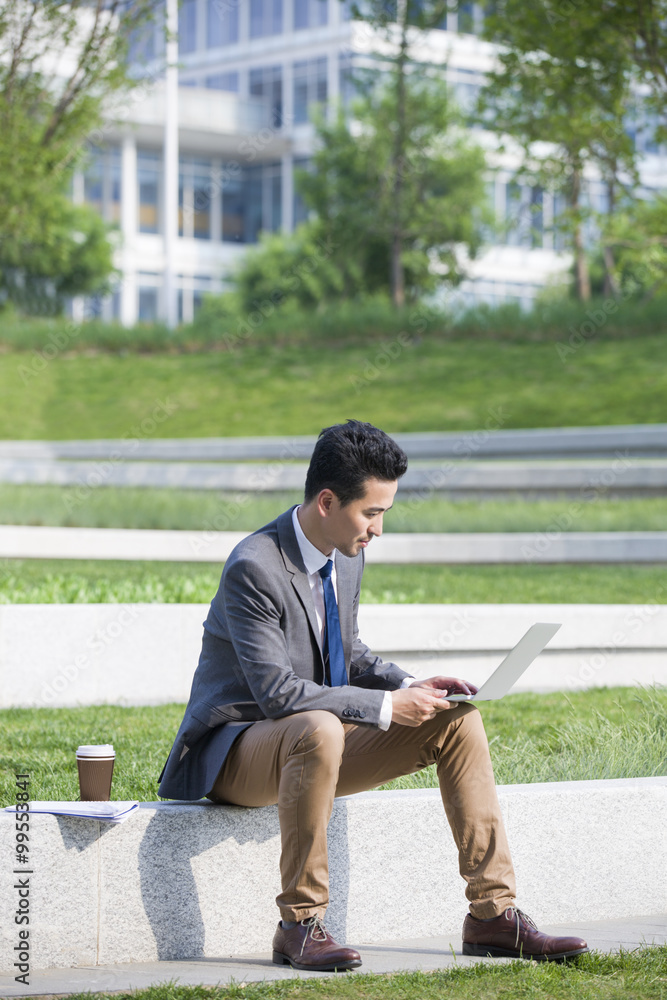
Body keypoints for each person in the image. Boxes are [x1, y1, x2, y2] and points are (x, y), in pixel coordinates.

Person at [158, 419, 588, 971]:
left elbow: (350, 652)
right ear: (328, 502)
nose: (378, 530)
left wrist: (411, 685)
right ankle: (299, 924)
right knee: (316, 726)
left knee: (459, 721)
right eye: (372, 513)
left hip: (315, 744)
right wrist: (386, 709)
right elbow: (277, 695)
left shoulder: (347, 553)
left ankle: (492, 917)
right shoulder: (254, 567)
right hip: (236, 751)